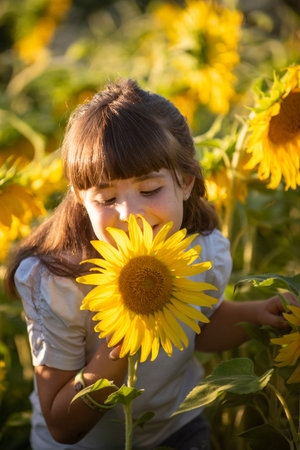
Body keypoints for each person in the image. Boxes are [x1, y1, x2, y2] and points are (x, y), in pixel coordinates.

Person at [5, 79, 294, 450]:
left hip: (178, 428)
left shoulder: (199, 252)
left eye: (149, 190)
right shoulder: (58, 281)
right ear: (81, 199)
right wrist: (119, 343)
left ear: (186, 182)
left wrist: (256, 314)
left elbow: (195, 326)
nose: (131, 214)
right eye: (107, 197)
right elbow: (62, 423)